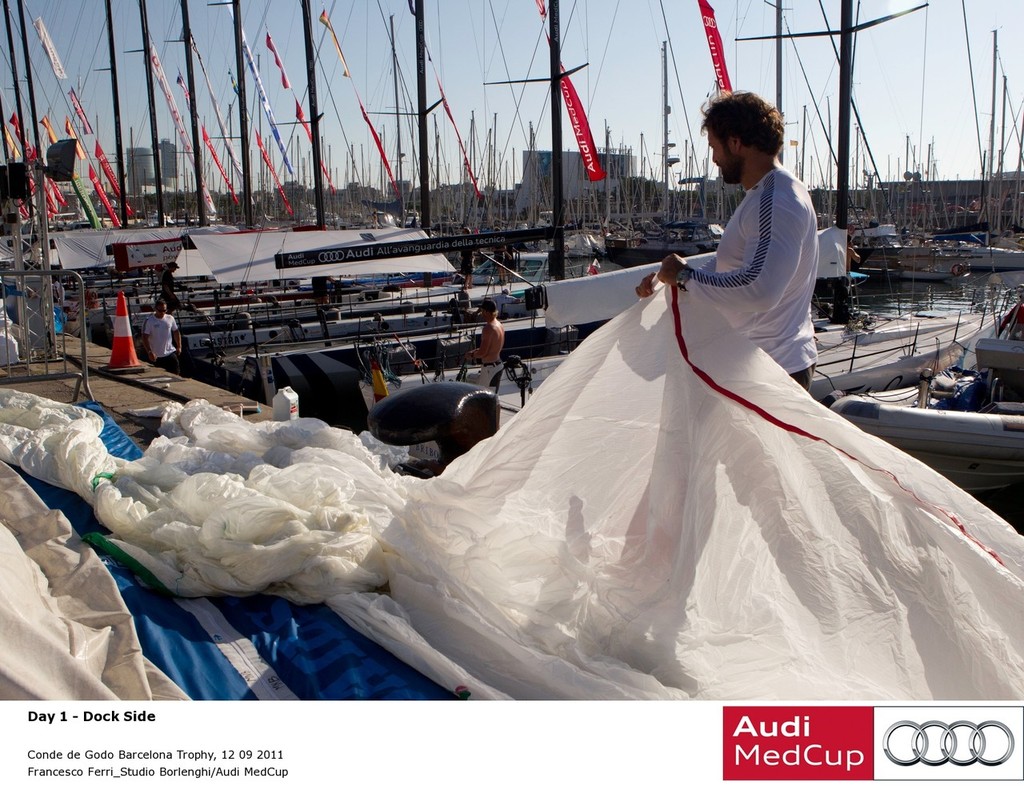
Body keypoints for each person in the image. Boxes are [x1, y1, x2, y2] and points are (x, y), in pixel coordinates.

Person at [635, 91, 818, 391]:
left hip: (771, 373)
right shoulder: (768, 194)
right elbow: (727, 264)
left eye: (714, 147)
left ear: (735, 143)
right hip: (762, 367)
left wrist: (685, 277)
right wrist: (666, 279)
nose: (714, 158)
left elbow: (760, 289)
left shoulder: (776, 201)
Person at [466, 299, 505, 386]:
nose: (481, 313)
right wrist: (476, 350)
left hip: (490, 369)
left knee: (485, 397)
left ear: (487, 312)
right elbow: (491, 347)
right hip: (497, 365)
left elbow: (483, 353)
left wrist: (471, 355)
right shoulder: (499, 325)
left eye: (482, 310)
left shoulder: (488, 328)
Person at [142, 298, 182, 375]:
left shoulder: (170, 318)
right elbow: (145, 337)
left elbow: (176, 332)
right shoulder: (149, 321)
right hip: (156, 355)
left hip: (169, 353)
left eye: (164, 310)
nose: (162, 313)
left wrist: (179, 346)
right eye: (160, 311)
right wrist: (149, 352)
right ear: (155, 309)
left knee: (176, 373)